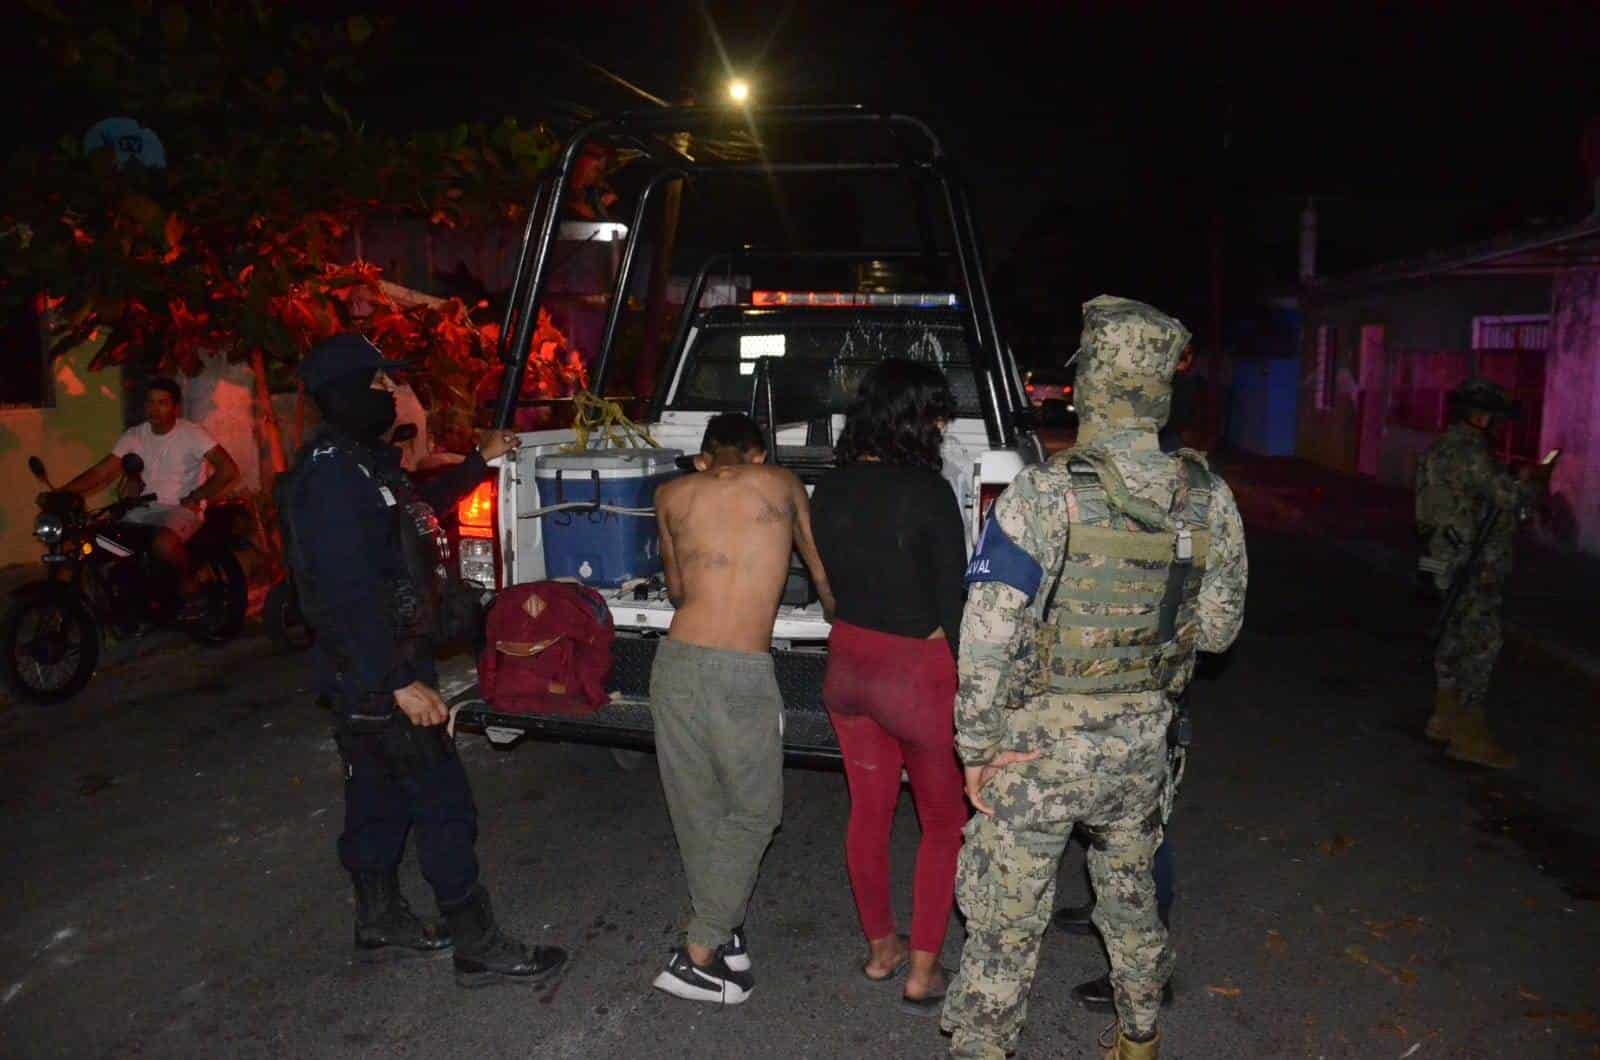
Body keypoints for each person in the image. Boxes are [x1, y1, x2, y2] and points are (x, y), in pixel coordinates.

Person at [941, 296, 1247, 1060]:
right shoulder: (1207, 496)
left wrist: (975, 747)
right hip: (1141, 743)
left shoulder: (1044, 493)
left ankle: (984, 1047)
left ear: (1089, 387)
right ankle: (1138, 1040)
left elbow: (988, 633)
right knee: (1132, 897)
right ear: (1159, 392)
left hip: (1034, 750)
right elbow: (1217, 632)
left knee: (1006, 921)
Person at [277, 333, 566, 987]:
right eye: (381, 385)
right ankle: (477, 943)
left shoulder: (359, 465)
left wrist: (476, 464)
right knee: (443, 803)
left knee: (377, 796)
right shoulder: (329, 480)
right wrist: (398, 680)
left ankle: (379, 920)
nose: (393, 394)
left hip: (378, 672)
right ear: (349, 391)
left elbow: (413, 518)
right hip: (379, 674)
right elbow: (340, 595)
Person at [649, 412, 834, 1005]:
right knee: (755, 813)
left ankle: (724, 939)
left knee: (699, 814)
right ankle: (696, 953)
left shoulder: (670, 493)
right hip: (739, 670)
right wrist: (838, 614)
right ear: (757, 455)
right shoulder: (781, 483)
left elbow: (677, 591)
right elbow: (816, 565)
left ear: (704, 458)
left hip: (675, 662)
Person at [810, 360, 969, 1010]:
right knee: (941, 820)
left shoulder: (829, 488)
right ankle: (923, 973)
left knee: (868, 811)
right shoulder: (927, 492)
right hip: (916, 673)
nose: (941, 424)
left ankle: (882, 949)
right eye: (935, 411)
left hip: (848, 662)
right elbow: (953, 604)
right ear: (914, 417)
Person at [1415, 377, 1548, 769]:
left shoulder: (1440, 446)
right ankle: (1469, 734)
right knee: (1481, 642)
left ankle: (1443, 717)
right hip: (1472, 564)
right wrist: (1533, 483)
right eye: (1495, 417)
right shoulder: (1472, 451)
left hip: (1441, 557)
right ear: (1482, 416)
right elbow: (1509, 498)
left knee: (1452, 637)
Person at [63, 377, 239, 605]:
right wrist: (63, 492)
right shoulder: (135, 435)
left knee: (163, 544)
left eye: (162, 403)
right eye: (150, 402)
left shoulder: (192, 434)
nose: (154, 409)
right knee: (95, 541)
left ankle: (189, 581)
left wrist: (197, 496)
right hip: (143, 509)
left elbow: (228, 469)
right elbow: (101, 471)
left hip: (181, 509)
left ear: (175, 407)